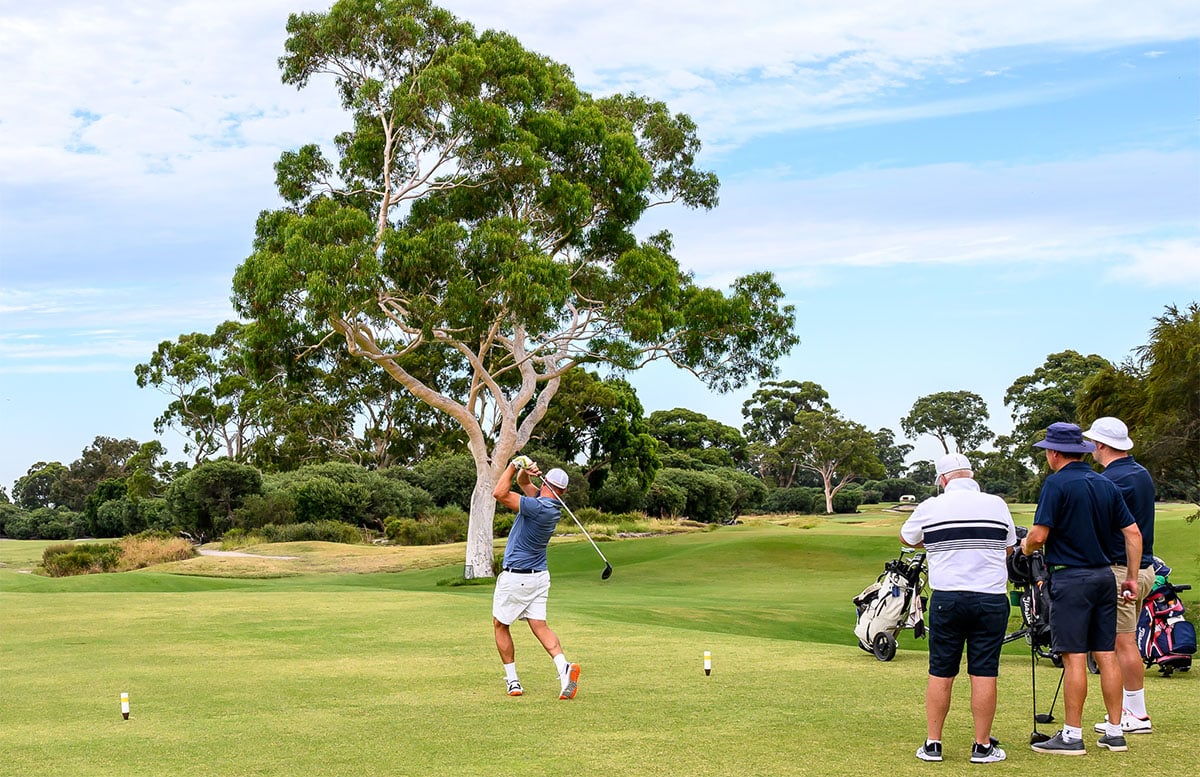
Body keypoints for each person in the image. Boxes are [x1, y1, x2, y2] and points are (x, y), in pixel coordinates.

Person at [1020, 422, 1141, 755]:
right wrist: (1130, 577)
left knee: (1074, 658)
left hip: (1072, 579)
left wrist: (1024, 548)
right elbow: (1133, 534)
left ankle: (1072, 736)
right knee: (1106, 654)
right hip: (1105, 577)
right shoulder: (1105, 483)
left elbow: (1040, 536)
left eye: (1047, 450)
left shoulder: (1055, 484)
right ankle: (1115, 732)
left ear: (1054, 453)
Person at [901, 453, 1016, 764]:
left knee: (941, 671)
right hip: (991, 598)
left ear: (942, 480)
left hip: (947, 598)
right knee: (984, 672)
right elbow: (1008, 545)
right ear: (971, 475)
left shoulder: (930, 507)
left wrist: (936, 543)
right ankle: (982, 747)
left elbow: (907, 538)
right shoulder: (996, 504)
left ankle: (933, 744)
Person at [1082, 416, 1156, 734]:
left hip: (1122, 569)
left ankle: (1137, 715)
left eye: (1093, 444)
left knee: (1121, 641)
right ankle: (1130, 710)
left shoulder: (1111, 480)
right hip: (1142, 567)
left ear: (1101, 445)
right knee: (1123, 640)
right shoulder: (1139, 473)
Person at [491, 457, 581, 700]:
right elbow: (523, 485)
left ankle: (512, 681)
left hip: (517, 577)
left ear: (547, 486)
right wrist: (525, 470)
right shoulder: (551, 507)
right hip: (539, 577)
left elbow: (499, 493)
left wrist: (512, 464)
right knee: (539, 626)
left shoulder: (538, 507)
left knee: (500, 624)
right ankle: (563, 668)